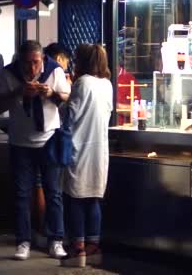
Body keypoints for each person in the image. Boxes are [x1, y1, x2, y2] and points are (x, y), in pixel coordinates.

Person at [0, 40, 71, 261]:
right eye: (27, 63)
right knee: (21, 195)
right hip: (20, 141)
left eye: (36, 63)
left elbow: (66, 99)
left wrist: (50, 94)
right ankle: (23, 242)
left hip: (49, 138)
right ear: (19, 61)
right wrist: (19, 92)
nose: (32, 69)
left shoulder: (54, 71)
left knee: (53, 193)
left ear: (42, 59)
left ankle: (56, 240)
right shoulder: (8, 74)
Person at [60, 43, 113, 268]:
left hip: (78, 148)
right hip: (99, 150)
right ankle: (93, 244)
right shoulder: (107, 85)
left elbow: (70, 115)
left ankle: (78, 246)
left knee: (75, 199)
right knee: (93, 198)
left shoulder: (82, 83)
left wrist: (62, 100)